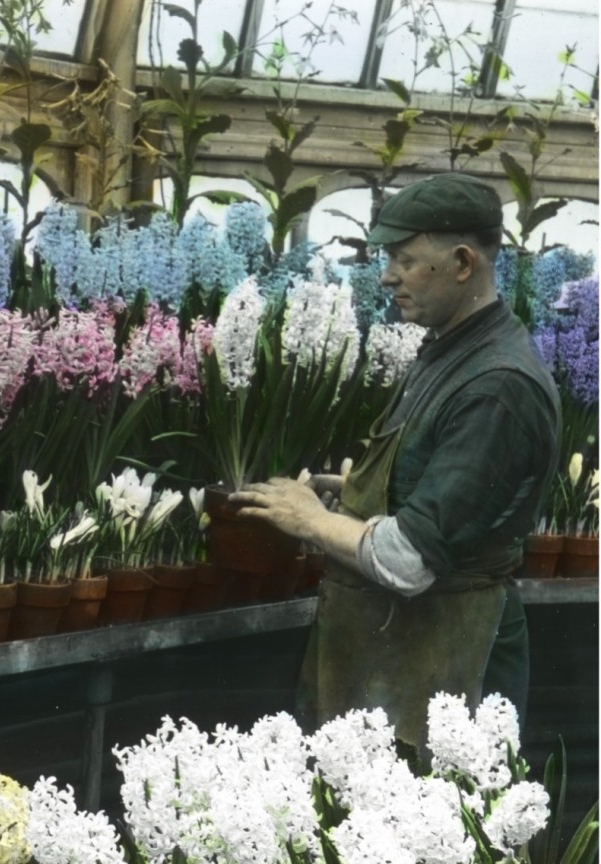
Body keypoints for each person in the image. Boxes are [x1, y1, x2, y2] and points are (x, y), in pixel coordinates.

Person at [230, 172, 560, 756]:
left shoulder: (498, 386)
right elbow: (436, 491)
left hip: (449, 671)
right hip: (406, 659)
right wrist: (357, 490)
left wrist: (309, 519)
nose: (387, 276)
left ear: (462, 263)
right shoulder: (452, 349)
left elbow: (411, 561)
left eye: (405, 260)